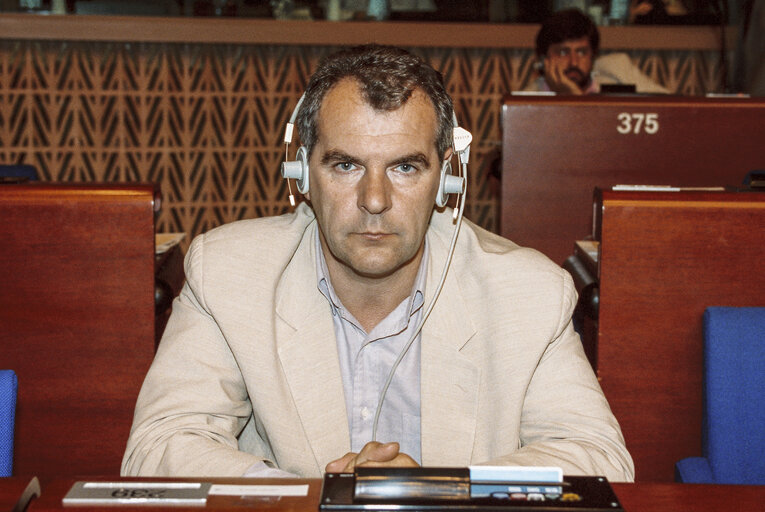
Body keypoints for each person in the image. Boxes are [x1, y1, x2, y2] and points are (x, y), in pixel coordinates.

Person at [121, 44, 634, 481]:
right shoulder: (229, 274)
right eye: (345, 165)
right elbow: (157, 448)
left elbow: (600, 460)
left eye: (405, 167)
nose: (373, 199)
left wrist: (442, 492)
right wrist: (307, 496)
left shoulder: (529, 292)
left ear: (447, 180)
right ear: (300, 173)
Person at [524, 9, 669, 95]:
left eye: (582, 52)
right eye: (563, 53)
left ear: (594, 56)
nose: (574, 62)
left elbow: (675, 112)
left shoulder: (617, 71)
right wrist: (570, 99)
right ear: (543, 59)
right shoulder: (524, 103)